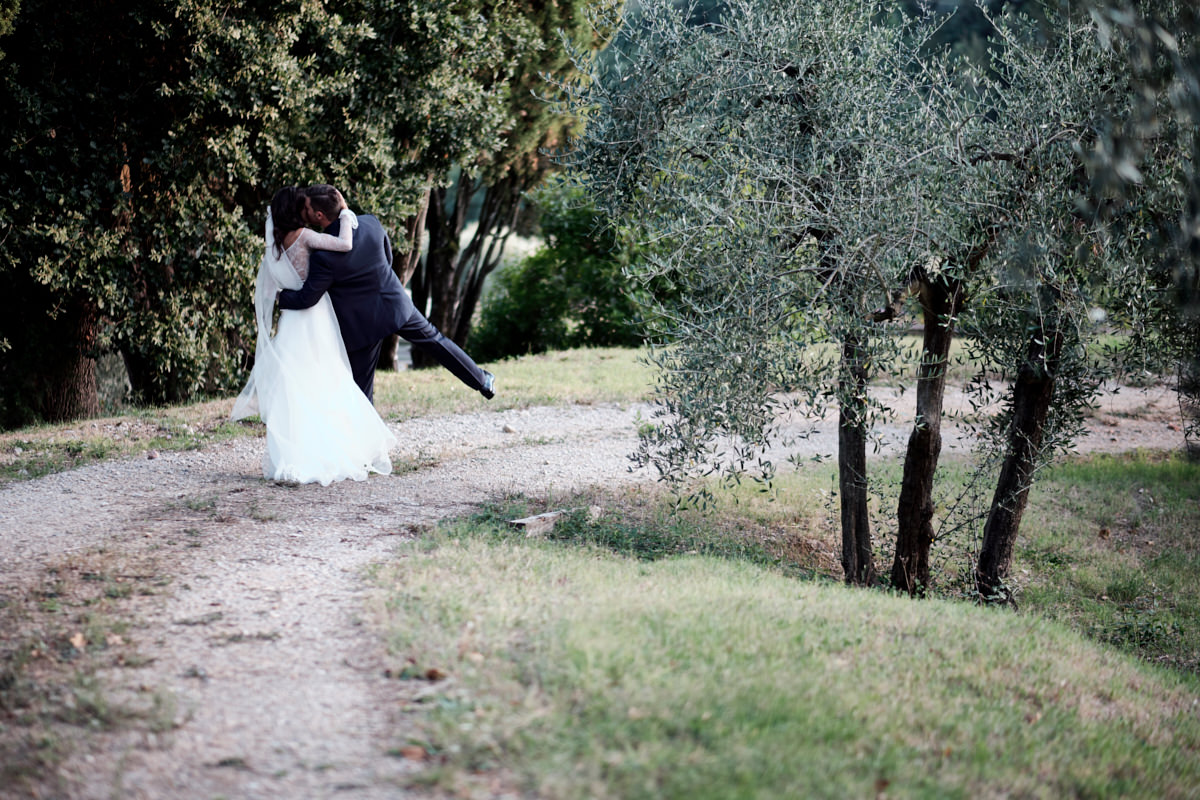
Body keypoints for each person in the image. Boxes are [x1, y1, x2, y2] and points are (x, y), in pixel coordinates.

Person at [231, 186, 397, 486]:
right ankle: (341, 449)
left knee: (293, 389)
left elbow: (269, 292)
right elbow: (344, 245)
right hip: (314, 319)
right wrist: (346, 213)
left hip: (289, 324)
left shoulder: (274, 248)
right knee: (327, 381)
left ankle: (291, 458)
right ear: (295, 211)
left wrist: (284, 294)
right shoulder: (305, 237)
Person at [276, 184, 496, 403]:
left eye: (305, 209)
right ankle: (482, 380)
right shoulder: (370, 223)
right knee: (436, 341)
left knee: (362, 388)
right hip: (394, 302)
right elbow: (388, 258)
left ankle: (367, 434)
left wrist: (278, 297)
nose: (302, 213)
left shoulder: (322, 256)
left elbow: (307, 298)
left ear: (319, 215)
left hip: (363, 325)